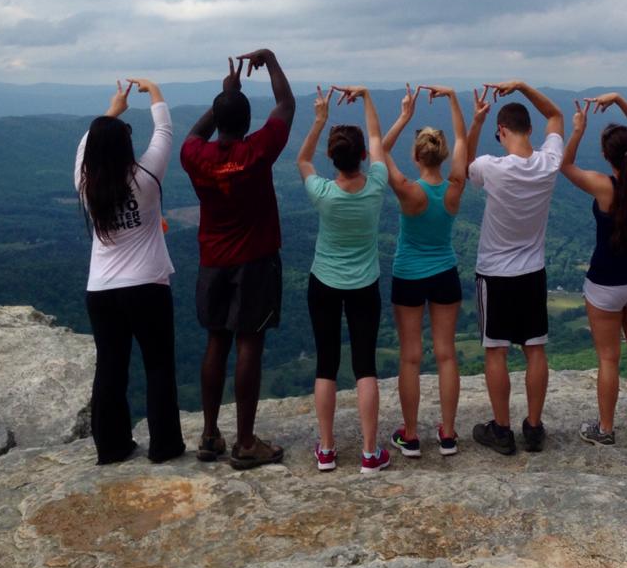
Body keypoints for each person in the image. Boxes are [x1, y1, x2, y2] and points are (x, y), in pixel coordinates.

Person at [180, 50, 295, 470]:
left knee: (217, 340)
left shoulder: (196, 157)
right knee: (250, 343)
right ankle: (245, 442)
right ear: (248, 124)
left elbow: (194, 133)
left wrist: (224, 95)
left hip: (213, 260)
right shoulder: (257, 151)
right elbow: (286, 105)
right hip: (256, 261)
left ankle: (210, 434)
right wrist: (271, 61)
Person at [75, 78, 185, 465]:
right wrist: (154, 91)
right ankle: (165, 445)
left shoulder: (85, 183)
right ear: (125, 147)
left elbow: (87, 145)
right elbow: (165, 131)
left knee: (110, 366)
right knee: (158, 366)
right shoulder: (146, 178)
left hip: (101, 289)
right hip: (148, 286)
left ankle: (112, 446)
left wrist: (112, 109)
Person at [560, 93, 627, 445]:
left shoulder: (603, 186)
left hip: (606, 283)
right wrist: (620, 99)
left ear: (606, 157)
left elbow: (564, 164)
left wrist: (577, 129)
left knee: (609, 358)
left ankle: (605, 430)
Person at [467, 81, 564, 455]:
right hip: (532, 271)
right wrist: (523, 86)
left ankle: (502, 430)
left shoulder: (492, 168)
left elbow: (462, 168)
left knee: (496, 351)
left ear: (502, 131)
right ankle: (534, 428)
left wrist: (477, 122)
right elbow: (555, 115)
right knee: (535, 349)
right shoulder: (548, 163)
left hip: (494, 273)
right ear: (529, 130)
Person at [297, 84, 391, 474]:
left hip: (324, 283)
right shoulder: (376, 186)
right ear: (365, 159)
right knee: (365, 365)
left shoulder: (322, 192)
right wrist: (367, 97)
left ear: (332, 159)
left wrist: (319, 120)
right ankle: (370, 453)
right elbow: (375, 136)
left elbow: (302, 159)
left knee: (326, 365)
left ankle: (327, 449)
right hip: (364, 285)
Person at [381, 84, 467, 457]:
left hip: (409, 275)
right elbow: (463, 136)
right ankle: (447, 434)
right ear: (443, 157)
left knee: (410, 355)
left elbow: (379, 151)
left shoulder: (406, 190)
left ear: (417, 157)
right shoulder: (453, 187)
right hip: (445, 271)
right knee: (446, 354)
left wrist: (404, 115)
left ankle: (411, 435)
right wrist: (452, 98)